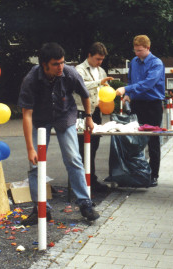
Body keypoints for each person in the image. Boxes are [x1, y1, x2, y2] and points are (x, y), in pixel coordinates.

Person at [18, 42, 100, 224]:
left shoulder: (69, 73)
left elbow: (85, 94)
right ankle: (41, 208)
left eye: (62, 62)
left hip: (64, 115)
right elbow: (27, 116)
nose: (60, 67)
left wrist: (88, 117)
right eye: (56, 64)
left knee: (72, 158)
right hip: (40, 119)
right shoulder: (31, 80)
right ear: (44, 64)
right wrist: (31, 148)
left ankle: (85, 203)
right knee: (34, 165)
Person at [115, 35, 165, 187]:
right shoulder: (134, 62)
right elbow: (132, 81)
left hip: (152, 105)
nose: (137, 53)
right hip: (137, 104)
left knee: (153, 140)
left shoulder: (156, 63)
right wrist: (129, 95)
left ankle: (154, 175)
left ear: (148, 48)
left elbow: (148, 83)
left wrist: (126, 89)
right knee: (135, 139)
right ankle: (136, 172)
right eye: (135, 50)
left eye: (140, 50)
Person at [74, 42, 113, 192]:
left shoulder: (101, 70)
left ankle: (92, 178)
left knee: (94, 146)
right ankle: (84, 180)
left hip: (96, 111)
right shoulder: (79, 69)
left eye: (102, 59)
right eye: (97, 59)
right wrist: (99, 83)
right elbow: (80, 86)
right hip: (82, 111)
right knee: (83, 146)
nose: (99, 62)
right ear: (89, 55)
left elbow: (102, 88)